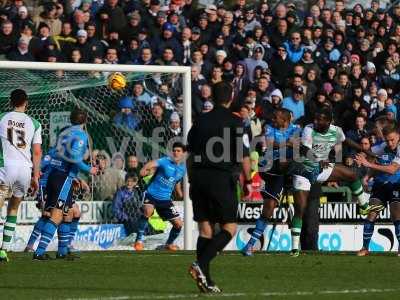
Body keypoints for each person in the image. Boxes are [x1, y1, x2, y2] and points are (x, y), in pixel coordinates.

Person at [187, 81, 252, 293]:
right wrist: (249, 181)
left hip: (198, 177)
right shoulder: (236, 123)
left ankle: (206, 277)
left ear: (212, 98)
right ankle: (200, 265)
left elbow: (190, 154)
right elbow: (243, 155)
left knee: (205, 229)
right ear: (231, 97)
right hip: (221, 178)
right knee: (229, 228)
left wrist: (190, 179)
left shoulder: (200, 121)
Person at [288, 107, 379, 257]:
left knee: (351, 175)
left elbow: (347, 141)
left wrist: (367, 151)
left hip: (322, 168)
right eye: (315, 118)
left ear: (329, 121)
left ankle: (363, 206)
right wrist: (318, 159)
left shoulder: (336, 130)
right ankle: (294, 248)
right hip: (304, 170)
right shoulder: (309, 129)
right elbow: (304, 150)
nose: (316, 121)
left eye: (320, 119)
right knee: (300, 209)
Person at [33, 108, 97, 260]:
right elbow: (74, 157)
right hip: (63, 177)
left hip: (57, 175)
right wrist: (90, 169)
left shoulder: (64, 132)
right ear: (86, 121)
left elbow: (57, 152)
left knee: (68, 214)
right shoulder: (80, 135)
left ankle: (62, 251)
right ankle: (39, 252)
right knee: (56, 216)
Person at [241, 108, 300, 256]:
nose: (273, 119)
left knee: (273, 207)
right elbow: (270, 143)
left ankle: (250, 245)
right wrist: (287, 143)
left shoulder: (296, 128)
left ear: (285, 120)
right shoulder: (269, 127)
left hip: (285, 172)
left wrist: (284, 144)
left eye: (276, 117)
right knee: (269, 206)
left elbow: (297, 145)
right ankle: (250, 245)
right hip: (269, 169)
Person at [0, 89, 42, 262]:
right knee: (13, 209)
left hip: (5, 167)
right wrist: (36, 176)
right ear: (26, 102)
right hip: (25, 170)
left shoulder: (2, 117)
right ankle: (4, 250)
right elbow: (37, 152)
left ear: (10, 102)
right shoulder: (35, 123)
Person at [355, 125, 400, 256]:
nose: (390, 143)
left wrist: (368, 164)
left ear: (398, 136)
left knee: (396, 214)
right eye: (387, 140)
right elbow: (369, 153)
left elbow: (392, 169)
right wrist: (367, 175)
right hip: (380, 185)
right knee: (372, 213)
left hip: (396, 184)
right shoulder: (382, 147)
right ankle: (364, 248)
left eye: (392, 140)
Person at [133, 142, 186, 251]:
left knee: (178, 224)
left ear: (183, 154)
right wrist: (144, 170)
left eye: (178, 151)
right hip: (151, 194)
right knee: (147, 212)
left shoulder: (183, 169)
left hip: (165, 199)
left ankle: (169, 244)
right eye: (174, 150)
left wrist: (180, 194)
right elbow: (151, 164)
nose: (175, 153)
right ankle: (138, 241)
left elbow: (176, 182)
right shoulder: (165, 161)